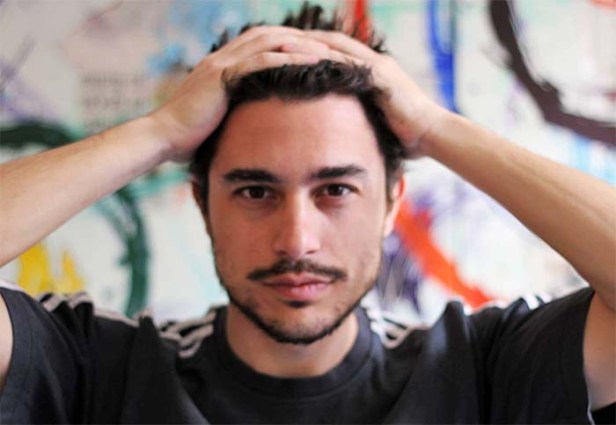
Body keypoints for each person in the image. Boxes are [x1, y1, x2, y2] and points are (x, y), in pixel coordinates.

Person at [0, 4, 614, 424]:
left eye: (335, 190)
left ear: (391, 202)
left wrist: (433, 127)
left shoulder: (484, 370)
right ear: (203, 203)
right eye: (255, 192)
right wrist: (159, 131)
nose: (296, 241)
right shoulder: (96, 372)